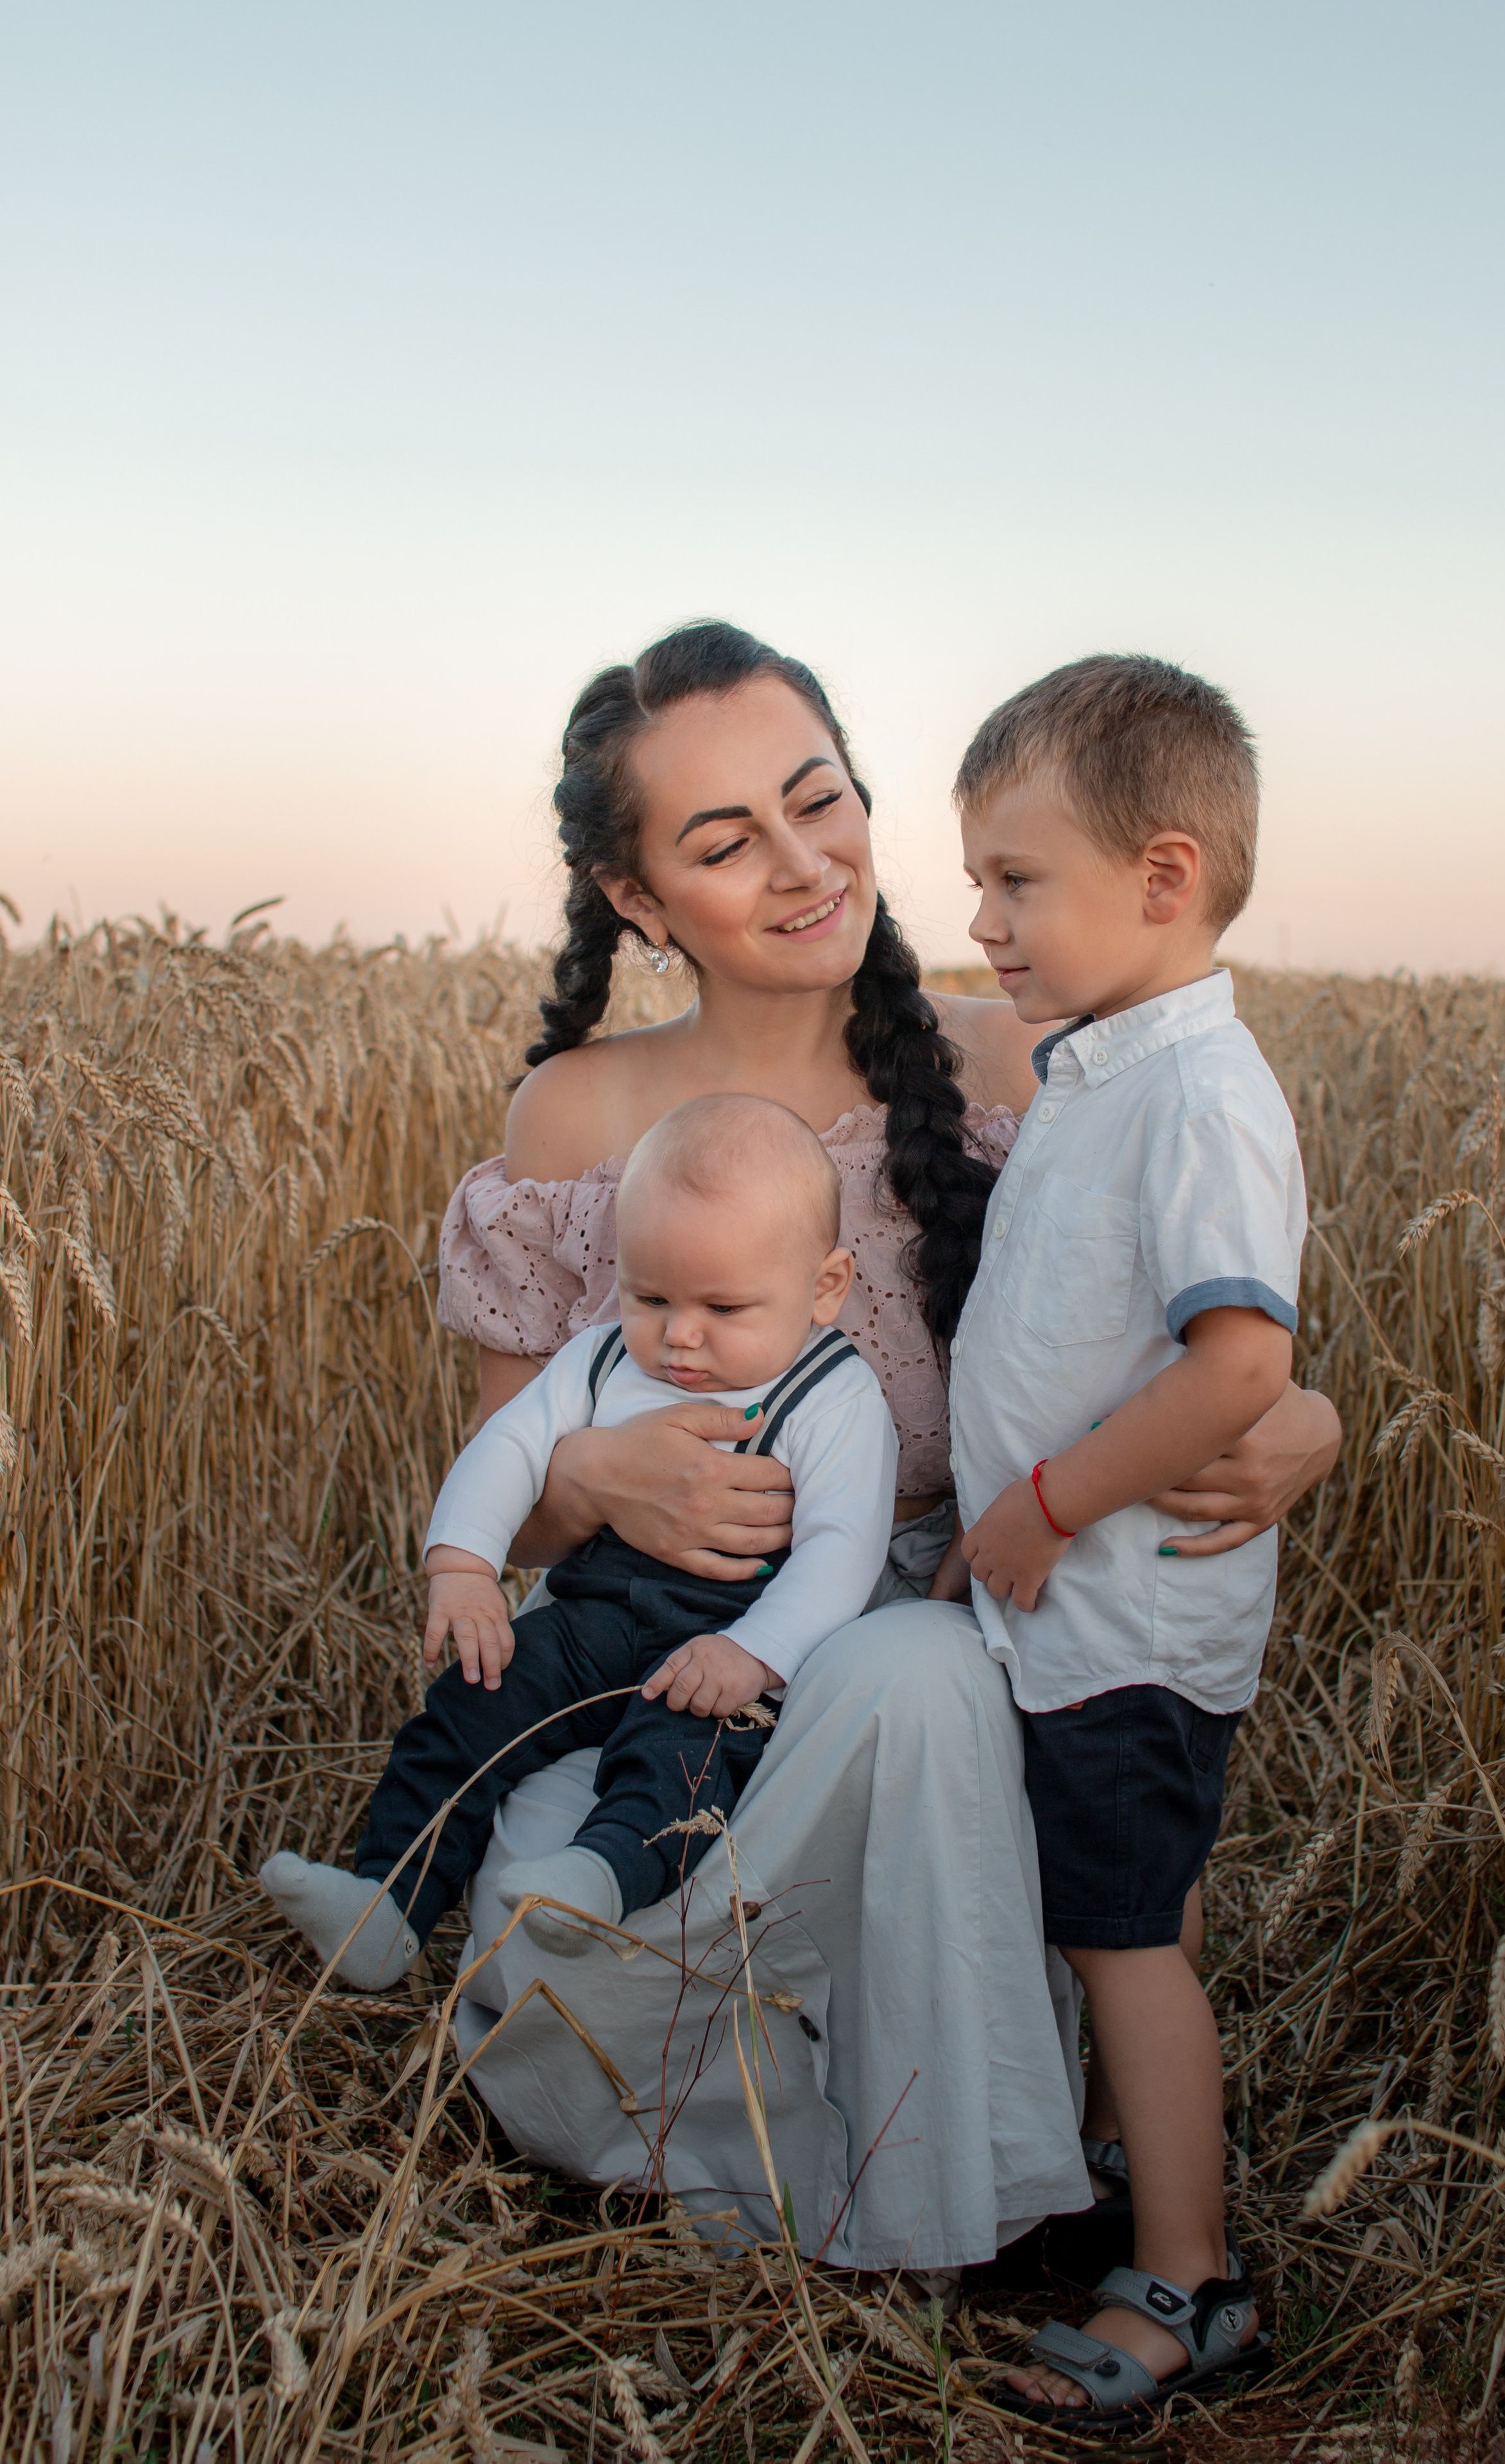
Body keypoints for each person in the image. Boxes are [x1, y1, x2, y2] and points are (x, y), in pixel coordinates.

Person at [434, 619, 1341, 2271]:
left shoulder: (1025, 1052)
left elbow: (1187, 1325)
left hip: (937, 1637)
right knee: (544, 1934)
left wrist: (1306, 1419)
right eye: (724, 843)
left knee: (911, 1679)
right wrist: (593, 1478)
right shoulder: (575, 1115)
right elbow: (507, 1507)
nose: (803, 865)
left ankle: (976, 2183)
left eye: (817, 800)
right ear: (638, 898)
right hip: (667, 1656)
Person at [946, 655, 1294, 2429]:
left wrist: (1044, 1505)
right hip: (1080, 1611)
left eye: (1016, 879)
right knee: (1112, 1914)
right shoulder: (1103, 1071)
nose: (981, 920)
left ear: (1163, 878)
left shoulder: (1198, 1097)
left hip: (1125, 1619)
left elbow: (1239, 1366)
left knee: (1124, 1940)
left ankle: (1187, 2279)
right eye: (976, 882)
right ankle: (1110, 2176)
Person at [259, 1096, 896, 1983]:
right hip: (589, 1619)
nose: (679, 1335)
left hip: (718, 1642)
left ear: (824, 1286)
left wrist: (756, 1654)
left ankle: (596, 1879)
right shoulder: (598, 1360)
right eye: (651, 1297)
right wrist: (464, 1566)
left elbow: (842, 1551)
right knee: (469, 1711)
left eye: (724, 1306)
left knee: (680, 1765)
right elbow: (508, 1450)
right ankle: (387, 1904)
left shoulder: (834, 1396)